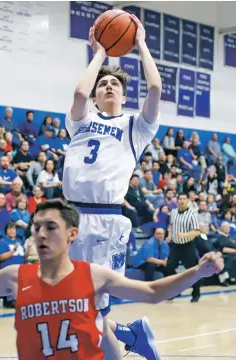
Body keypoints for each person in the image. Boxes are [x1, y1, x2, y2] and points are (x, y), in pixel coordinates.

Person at [0, 200, 224, 360]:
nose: (41, 234)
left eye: (51, 227)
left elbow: (151, 291)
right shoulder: (18, 277)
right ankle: (130, 332)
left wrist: (197, 272)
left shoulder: (94, 276)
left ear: (71, 235)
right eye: (37, 227)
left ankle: (130, 332)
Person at [62, 15, 162, 358]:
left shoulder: (136, 127)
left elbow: (155, 88)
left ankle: (126, 339)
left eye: (114, 85)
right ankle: (130, 334)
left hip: (105, 221)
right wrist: (100, 54)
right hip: (70, 220)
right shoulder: (82, 121)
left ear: (122, 94)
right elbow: (79, 91)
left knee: (92, 309)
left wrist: (141, 44)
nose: (107, 87)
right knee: (72, 303)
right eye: (102, 83)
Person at [166, 193, 201, 302]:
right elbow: (171, 225)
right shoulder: (173, 212)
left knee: (192, 271)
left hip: (188, 245)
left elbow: (196, 232)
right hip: (175, 245)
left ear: (188, 201)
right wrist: (169, 235)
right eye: (180, 199)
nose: (181, 201)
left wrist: (184, 235)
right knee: (169, 268)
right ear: (177, 201)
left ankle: (196, 293)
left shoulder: (192, 214)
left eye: (184, 199)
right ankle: (175, 291)